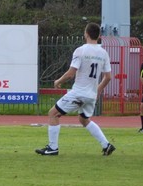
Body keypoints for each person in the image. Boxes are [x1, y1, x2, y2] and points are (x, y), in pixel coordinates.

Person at [36, 22, 116, 157]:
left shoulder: (81, 50)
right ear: (99, 36)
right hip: (91, 95)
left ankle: (52, 148)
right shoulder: (103, 53)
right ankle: (106, 145)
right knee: (84, 120)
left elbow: (71, 73)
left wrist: (58, 81)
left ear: (86, 34)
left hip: (79, 93)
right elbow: (108, 77)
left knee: (53, 114)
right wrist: (98, 90)